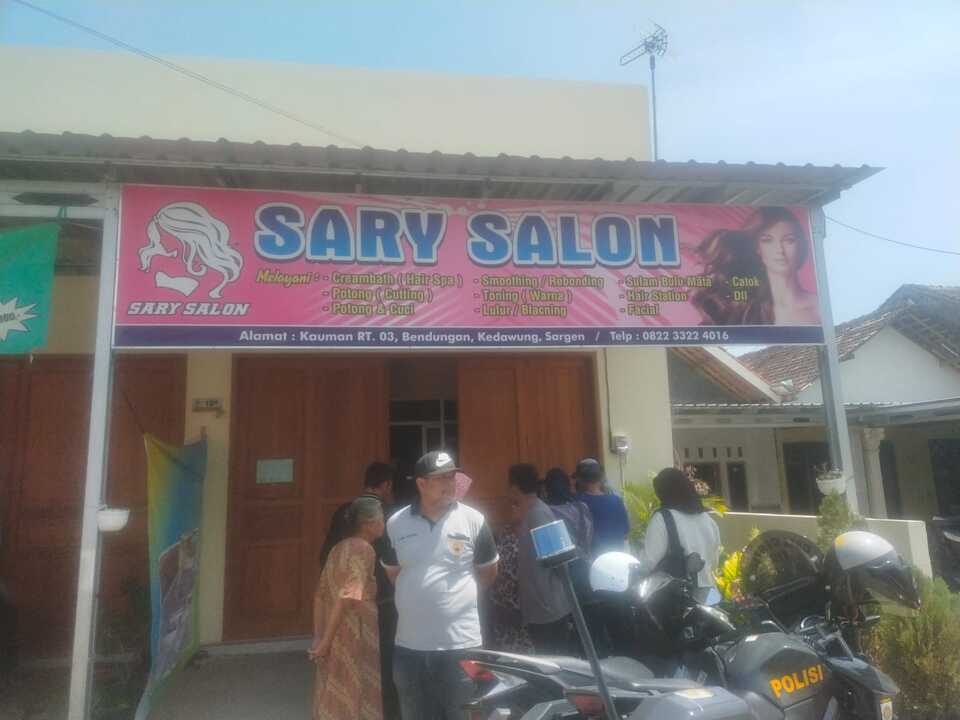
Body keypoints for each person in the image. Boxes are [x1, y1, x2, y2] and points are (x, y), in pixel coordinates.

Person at [382, 450, 499, 720]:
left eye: (452, 476)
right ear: (421, 483)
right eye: (441, 478)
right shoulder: (396, 524)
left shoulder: (473, 520)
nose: (450, 483)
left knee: (463, 714)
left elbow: (488, 572)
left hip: (461, 646)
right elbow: (394, 574)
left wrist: (454, 599)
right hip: (409, 648)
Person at [318, 462, 399, 719]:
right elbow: (393, 566)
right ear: (387, 485)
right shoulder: (386, 516)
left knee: (345, 670)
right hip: (376, 607)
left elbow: (324, 561)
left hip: (339, 612)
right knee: (380, 668)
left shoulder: (344, 512)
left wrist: (322, 635)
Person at [310, 496, 386, 720]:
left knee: (335, 690)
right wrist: (324, 642)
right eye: (382, 518)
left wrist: (319, 637)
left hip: (332, 629)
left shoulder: (337, 548)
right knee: (357, 691)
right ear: (369, 524)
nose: (384, 523)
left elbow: (320, 595)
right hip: (355, 632)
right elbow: (349, 596)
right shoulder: (364, 549)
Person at [693, 207, 819, 326]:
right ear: (757, 248)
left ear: (800, 245)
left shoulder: (819, 308)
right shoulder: (744, 311)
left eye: (789, 240)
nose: (780, 250)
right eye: (767, 240)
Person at [508, 464, 576, 656]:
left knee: (553, 662)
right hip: (541, 608)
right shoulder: (531, 512)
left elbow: (559, 560)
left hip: (549, 609)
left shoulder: (538, 514)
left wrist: (545, 599)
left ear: (515, 487)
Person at [637, 467, 721, 596]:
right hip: (709, 594)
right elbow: (713, 563)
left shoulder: (663, 518)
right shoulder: (708, 520)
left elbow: (648, 562)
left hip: (678, 598)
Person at [488, 497, 534, 654]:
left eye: (517, 506)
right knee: (505, 648)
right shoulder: (505, 532)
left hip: (522, 604)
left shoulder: (529, 535)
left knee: (525, 651)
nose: (512, 510)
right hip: (501, 603)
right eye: (511, 506)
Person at [573, 459, 630, 555]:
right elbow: (626, 532)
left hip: (593, 557)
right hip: (616, 554)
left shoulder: (576, 502)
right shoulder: (616, 500)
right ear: (601, 479)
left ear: (580, 480)